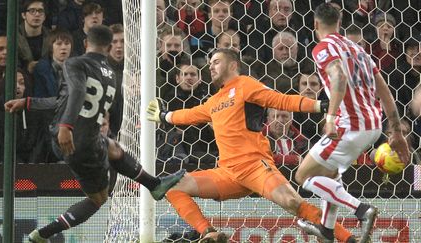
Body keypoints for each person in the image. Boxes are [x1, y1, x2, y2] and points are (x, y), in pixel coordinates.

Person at [147, 48, 356, 242]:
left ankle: (348, 238)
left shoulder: (246, 84)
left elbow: (280, 100)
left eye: (216, 62)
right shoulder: (213, 101)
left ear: (232, 65)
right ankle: (208, 233)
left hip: (255, 167)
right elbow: (189, 115)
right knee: (173, 187)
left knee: (293, 203)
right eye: (210, 63)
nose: (210, 66)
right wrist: (164, 116)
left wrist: (320, 105)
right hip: (228, 173)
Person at [22, 26, 185, 243]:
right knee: (98, 199)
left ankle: (154, 184)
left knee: (114, 148)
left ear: (85, 43)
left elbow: (72, 95)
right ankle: (42, 235)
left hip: (73, 138)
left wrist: (63, 124)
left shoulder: (75, 63)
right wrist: (50, 116)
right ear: (109, 48)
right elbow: (75, 96)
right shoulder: (112, 76)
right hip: (80, 142)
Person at [294, 3, 410, 243]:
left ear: (315, 24)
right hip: (373, 125)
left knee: (303, 176)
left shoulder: (323, 48)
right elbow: (385, 91)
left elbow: (338, 76)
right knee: (330, 173)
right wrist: (396, 131)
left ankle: (361, 209)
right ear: (341, 21)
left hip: (350, 125)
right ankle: (327, 229)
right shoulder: (360, 51)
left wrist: (330, 117)